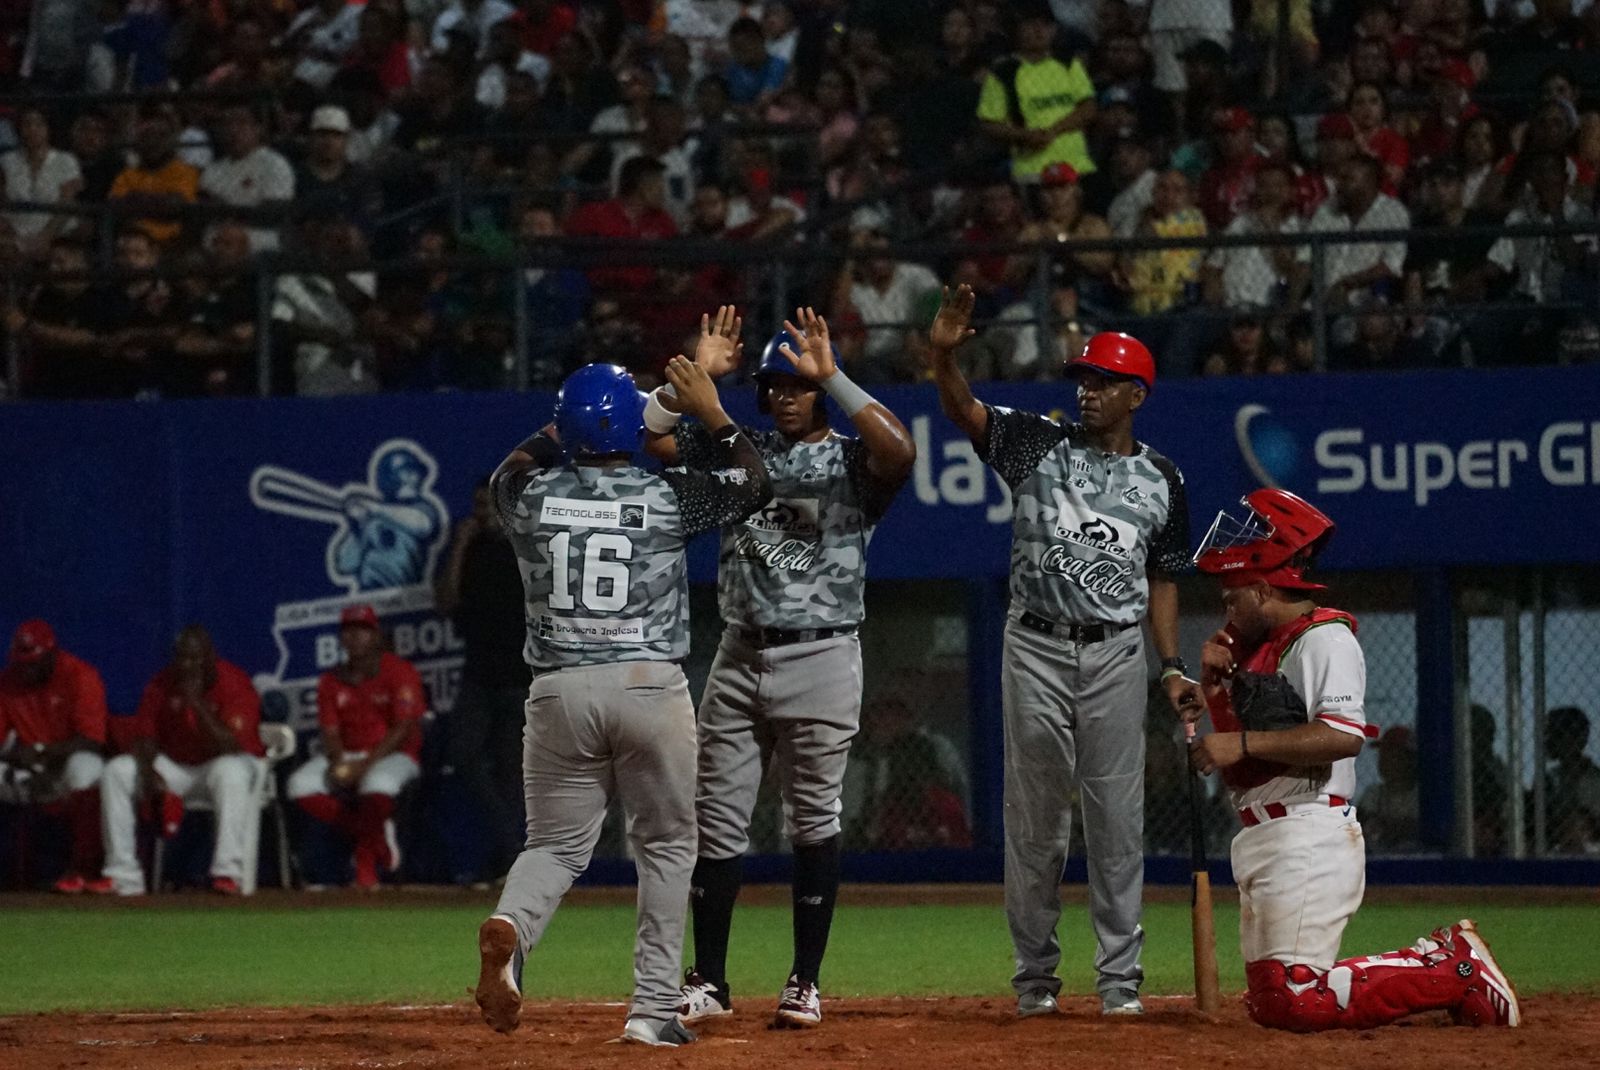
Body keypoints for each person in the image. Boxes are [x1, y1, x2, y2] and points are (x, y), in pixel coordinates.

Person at [472, 358, 773, 1047]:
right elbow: (755, 483)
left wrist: (572, 419)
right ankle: (652, 1011)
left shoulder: (526, 494)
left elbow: (514, 461)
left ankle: (513, 931)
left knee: (552, 844)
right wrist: (711, 412)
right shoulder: (665, 496)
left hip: (557, 691)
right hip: (646, 684)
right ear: (627, 427)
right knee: (666, 846)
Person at [923, 284, 1198, 1018]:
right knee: (1036, 821)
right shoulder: (1037, 445)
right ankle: (1036, 980)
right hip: (1036, 645)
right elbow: (964, 411)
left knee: (1116, 820)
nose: (1088, 391)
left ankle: (1118, 982)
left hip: (1114, 653)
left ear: (1136, 393)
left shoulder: (1163, 478)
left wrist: (1170, 665)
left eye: (1103, 382)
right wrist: (944, 356)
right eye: (1082, 379)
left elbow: (1163, 580)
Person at [642, 306, 915, 1030]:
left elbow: (902, 452)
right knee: (717, 820)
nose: (786, 397)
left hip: (822, 651)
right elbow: (656, 436)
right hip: (739, 650)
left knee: (813, 820)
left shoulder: (850, 462)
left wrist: (838, 375)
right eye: (776, 387)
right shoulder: (746, 449)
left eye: (797, 387)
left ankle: (804, 981)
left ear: (819, 393)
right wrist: (695, 375)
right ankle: (710, 980)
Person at [1186, 488, 1520, 1030]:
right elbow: (1245, 769)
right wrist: (1218, 694)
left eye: (1233, 597)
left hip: (1308, 832)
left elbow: (1343, 736)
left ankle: (1452, 967)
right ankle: (1446, 967)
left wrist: (1241, 741)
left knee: (1295, 1000)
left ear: (1264, 588)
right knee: (1275, 1002)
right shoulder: (1272, 645)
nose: (1226, 609)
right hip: (1268, 834)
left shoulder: (1325, 639)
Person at [98, 626, 265, 896]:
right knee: (117, 771)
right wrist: (148, 771)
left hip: (223, 764)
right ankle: (123, 874)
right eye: (182, 658)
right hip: (178, 767)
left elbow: (230, 745)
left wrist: (196, 703)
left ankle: (227, 873)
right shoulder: (162, 682)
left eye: (196, 658)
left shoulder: (234, 682)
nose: (188, 665)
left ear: (211, 657)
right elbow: (144, 736)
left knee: (231, 771)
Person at [286, 605, 425, 891]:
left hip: (394, 755)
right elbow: (330, 731)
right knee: (298, 786)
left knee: (376, 783)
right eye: (349, 631)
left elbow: (403, 729)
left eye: (363, 630)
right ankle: (375, 833)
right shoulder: (331, 679)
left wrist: (363, 766)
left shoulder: (399, 671)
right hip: (349, 753)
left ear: (375, 636)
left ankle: (365, 861)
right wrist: (338, 763)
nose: (355, 637)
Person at [436, 477, 532, 880]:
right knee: (464, 754)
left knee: (512, 772)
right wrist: (460, 544)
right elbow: (445, 601)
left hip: (518, 674)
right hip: (478, 671)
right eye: (477, 508)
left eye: (488, 508)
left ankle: (508, 861)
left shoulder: (526, 545)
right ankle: (511, 848)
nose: (482, 516)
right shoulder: (468, 548)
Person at [0, 620, 108, 893]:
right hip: (28, 771)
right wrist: (22, 762)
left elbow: (92, 741)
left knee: (86, 768)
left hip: (64, 767)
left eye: (32, 662)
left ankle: (83, 867)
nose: (26, 668)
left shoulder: (79, 675)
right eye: (21, 661)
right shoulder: (8, 682)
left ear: (51, 655)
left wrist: (41, 754)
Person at [977, 2, 1097, 185]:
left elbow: (1088, 108)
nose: (1039, 31)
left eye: (1046, 25)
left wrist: (1052, 131)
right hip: (1032, 171)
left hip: (1077, 165)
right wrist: (1025, 136)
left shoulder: (1068, 63)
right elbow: (989, 123)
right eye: (1031, 24)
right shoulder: (1004, 72)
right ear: (1017, 29)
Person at [1357, 726, 1420, 851]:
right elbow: (1363, 825)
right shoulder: (1374, 793)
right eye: (1382, 755)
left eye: (1391, 755)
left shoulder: (1420, 795)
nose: (1383, 761)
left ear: (1409, 759)